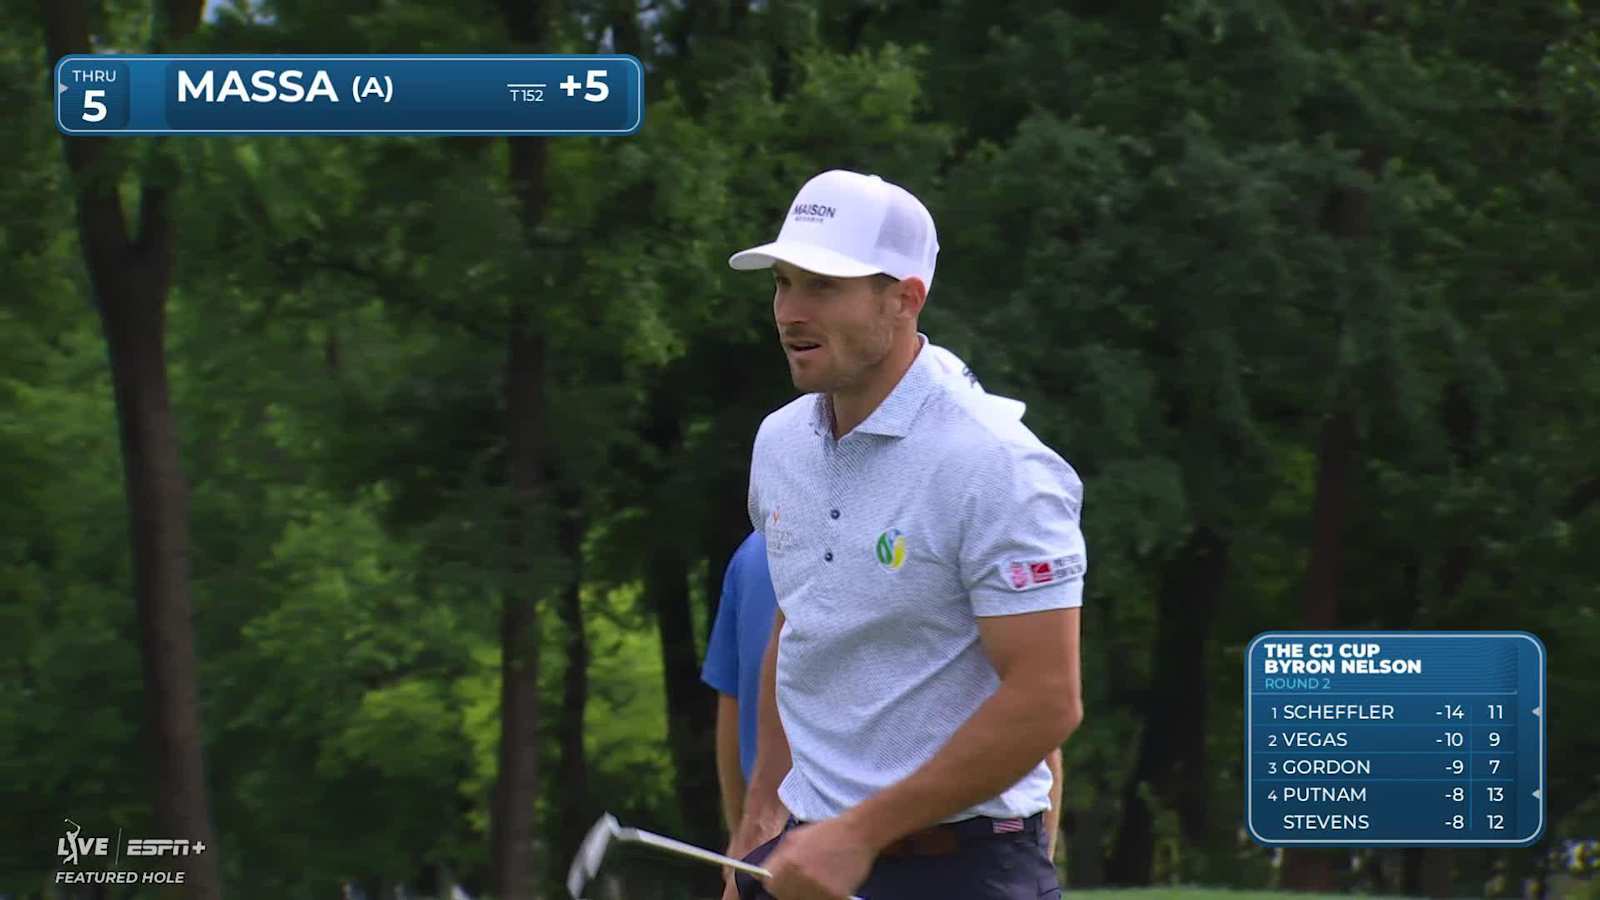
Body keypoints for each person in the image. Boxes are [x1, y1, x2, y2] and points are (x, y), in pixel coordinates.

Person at [722, 169, 1086, 900]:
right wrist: (762, 817)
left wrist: (858, 835)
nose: (789, 311)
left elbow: (1049, 699)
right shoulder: (780, 442)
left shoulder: (997, 462)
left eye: (823, 286)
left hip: (963, 869)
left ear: (905, 297)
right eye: (783, 283)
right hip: (810, 851)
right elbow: (802, 623)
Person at [703, 529, 781, 833]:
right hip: (860, 841)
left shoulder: (750, 553)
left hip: (765, 837)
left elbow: (731, 702)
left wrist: (741, 835)